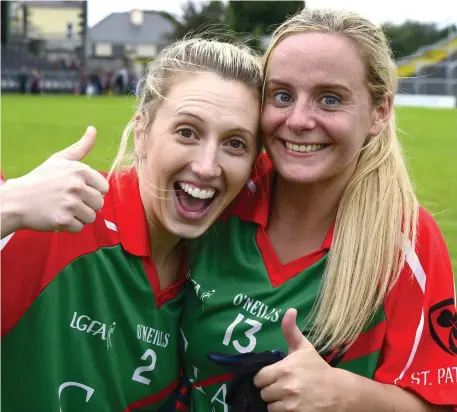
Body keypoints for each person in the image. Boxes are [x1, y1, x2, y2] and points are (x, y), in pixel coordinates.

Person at [180, 8, 457, 412]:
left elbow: (438, 403)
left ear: (379, 110)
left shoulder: (405, 241)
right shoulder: (223, 188)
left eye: (329, 99)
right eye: (282, 95)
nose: (299, 120)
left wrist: (346, 395)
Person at [0, 37, 263, 411]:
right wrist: (8, 206)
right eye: (187, 132)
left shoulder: (221, 268)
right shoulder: (54, 217)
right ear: (142, 131)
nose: (207, 166)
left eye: (235, 143)